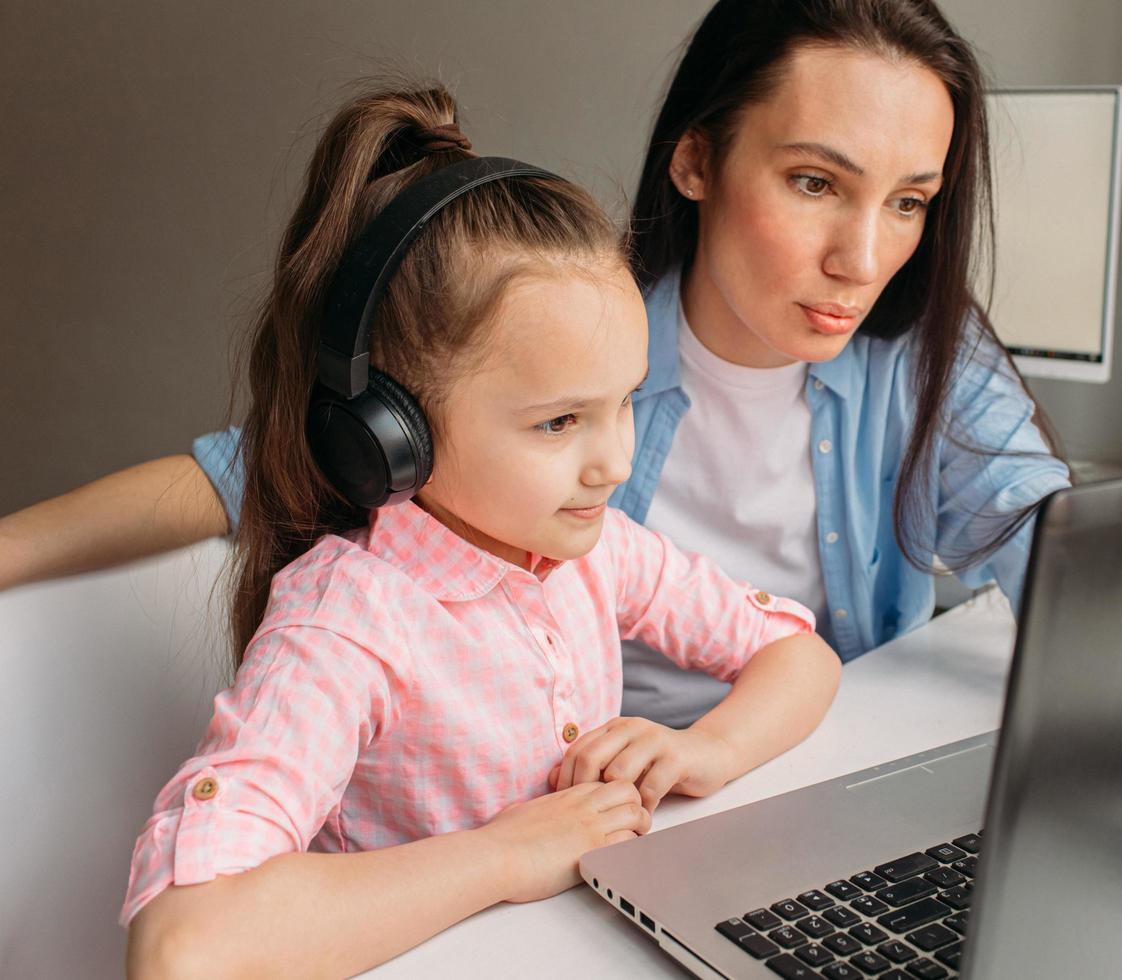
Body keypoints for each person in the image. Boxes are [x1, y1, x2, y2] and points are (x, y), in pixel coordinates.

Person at [0, 0, 1070, 728]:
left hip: (796, 770)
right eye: (814, 183)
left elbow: (1064, 561)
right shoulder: (570, 326)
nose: (866, 256)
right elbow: (242, 468)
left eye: (911, 202)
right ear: (696, 158)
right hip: (579, 800)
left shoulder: (930, 355)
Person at [122, 85, 840, 978]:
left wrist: (703, 750)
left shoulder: (591, 548)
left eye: (625, 403)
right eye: (557, 423)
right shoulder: (350, 618)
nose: (613, 462)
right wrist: (500, 856)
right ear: (393, 431)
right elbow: (183, 947)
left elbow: (800, 657)